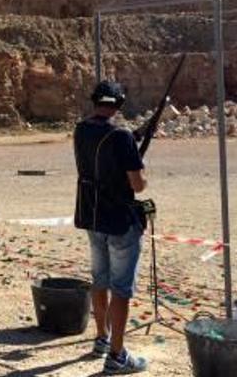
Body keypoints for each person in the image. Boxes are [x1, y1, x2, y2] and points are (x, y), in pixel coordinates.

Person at [73, 81, 149, 374]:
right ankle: (117, 355)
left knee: (100, 279)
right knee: (121, 288)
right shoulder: (120, 136)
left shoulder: (81, 129)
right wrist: (142, 166)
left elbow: (105, 149)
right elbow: (137, 185)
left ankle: (102, 338)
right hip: (118, 220)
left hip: (92, 216)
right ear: (118, 104)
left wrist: (134, 138)